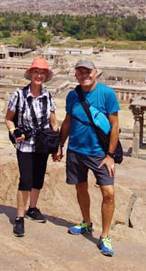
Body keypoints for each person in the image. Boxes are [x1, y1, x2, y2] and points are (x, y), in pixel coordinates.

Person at [55, 59, 120, 257]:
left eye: (88, 72)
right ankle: (86, 223)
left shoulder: (107, 94)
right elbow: (67, 121)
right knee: (80, 187)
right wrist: (60, 145)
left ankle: (105, 235)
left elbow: (115, 125)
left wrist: (110, 155)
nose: (84, 75)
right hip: (76, 150)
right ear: (76, 75)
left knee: (108, 193)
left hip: (100, 152)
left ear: (96, 73)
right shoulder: (72, 96)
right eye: (80, 72)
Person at [5, 57, 59, 237]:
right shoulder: (19, 95)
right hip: (25, 144)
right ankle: (19, 217)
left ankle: (33, 208)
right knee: (25, 180)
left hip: (42, 143)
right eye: (36, 71)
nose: (39, 75)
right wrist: (14, 131)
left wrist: (56, 146)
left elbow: (53, 122)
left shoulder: (48, 96)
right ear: (30, 74)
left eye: (42, 72)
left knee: (38, 179)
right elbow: (8, 119)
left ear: (45, 76)